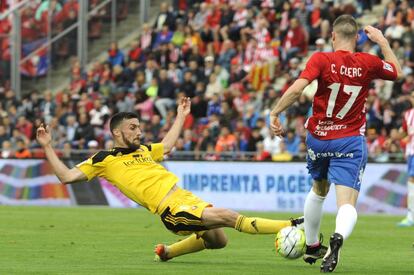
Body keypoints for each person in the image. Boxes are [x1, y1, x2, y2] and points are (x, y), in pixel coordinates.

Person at [36, 97, 303, 262]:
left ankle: (167, 252)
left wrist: (181, 117)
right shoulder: (104, 159)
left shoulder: (143, 150)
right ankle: (291, 224)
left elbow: (167, 145)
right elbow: (66, 176)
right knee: (229, 216)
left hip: (187, 199)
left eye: (139, 126)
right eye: (133, 128)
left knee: (218, 241)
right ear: (117, 133)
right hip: (172, 210)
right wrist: (48, 146)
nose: (139, 132)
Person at [269, 15, 402, 273]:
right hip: (349, 140)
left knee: (318, 189)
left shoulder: (321, 59)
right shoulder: (367, 62)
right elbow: (396, 72)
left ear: (332, 36)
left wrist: (275, 112)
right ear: (357, 38)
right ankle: (337, 239)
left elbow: (297, 89)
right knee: (347, 203)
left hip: (318, 139)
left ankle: (311, 244)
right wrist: (383, 41)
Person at [397, 95, 414, 227]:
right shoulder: (408, 114)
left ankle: (411, 216)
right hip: (411, 152)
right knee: (411, 182)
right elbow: (404, 131)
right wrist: (392, 140)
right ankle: (410, 216)